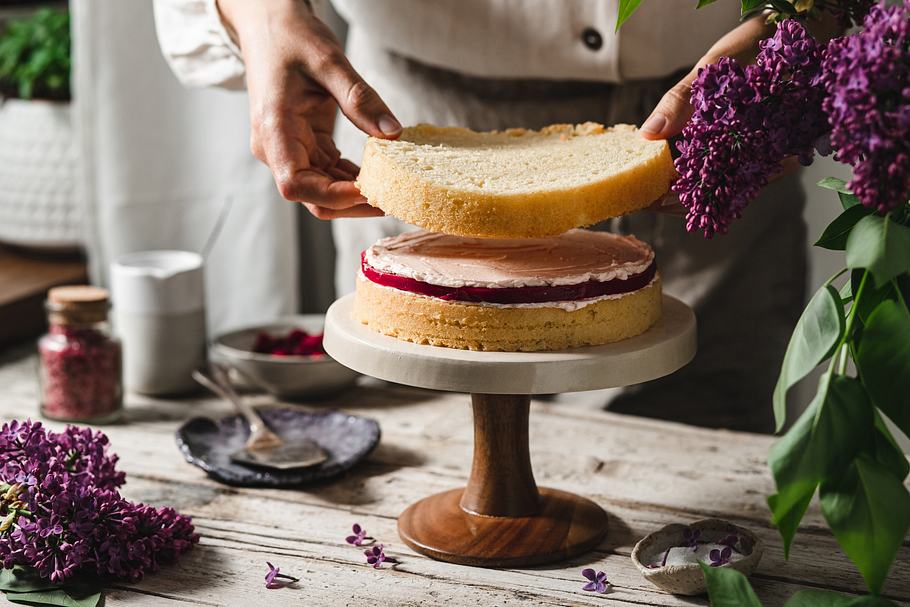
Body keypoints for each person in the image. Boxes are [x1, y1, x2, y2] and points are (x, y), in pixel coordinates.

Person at [153, 0, 814, 433]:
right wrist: (264, 15)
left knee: (705, 491)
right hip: (409, 139)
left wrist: (822, 22)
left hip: (707, 130)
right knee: (425, 443)